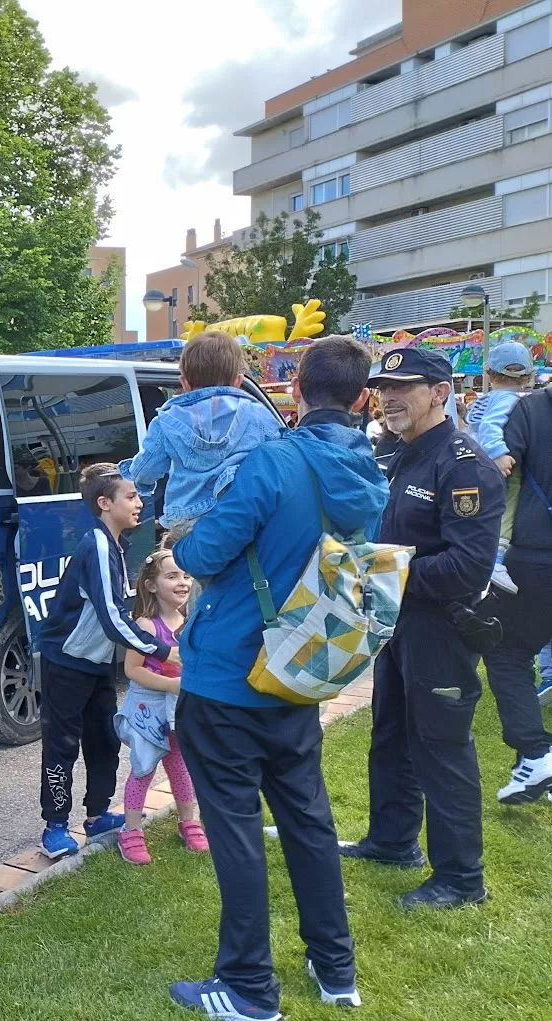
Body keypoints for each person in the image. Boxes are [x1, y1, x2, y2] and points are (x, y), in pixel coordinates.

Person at [168, 336, 385, 1020]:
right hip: (302, 667)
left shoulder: (273, 462)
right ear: (362, 399)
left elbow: (204, 553)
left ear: (296, 390)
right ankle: (335, 966)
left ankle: (248, 987)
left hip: (232, 671)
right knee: (308, 818)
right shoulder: (367, 470)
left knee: (234, 825)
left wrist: (178, 541)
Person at [340, 347, 503, 911]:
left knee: (441, 746)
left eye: (403, 387)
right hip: (397, 622)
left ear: (439, 392)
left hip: (441, 627)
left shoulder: (464, 465)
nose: (388, 398)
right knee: (390, 732)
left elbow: (467, 567)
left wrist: (381, 570)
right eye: (383, 387)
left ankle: (461, 879)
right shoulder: (399, 451)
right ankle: (392, 842)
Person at [35, 462, 176, 860]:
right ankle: (55, 827)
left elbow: (118, 611)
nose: (139, 502)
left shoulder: (116, 544)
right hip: (66, 661)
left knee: (104, 739)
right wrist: (161, 649)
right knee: (61, 744)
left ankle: (97, 815)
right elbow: (111, 616)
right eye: (131, 497)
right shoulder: (96, 544)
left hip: (96, 662)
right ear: (104, 503)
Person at [120, 331, 285, 540]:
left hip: (185, 520)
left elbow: (145, 469)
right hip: (240, 515)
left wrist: (142, 484)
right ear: (238, 381)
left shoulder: (165, 421)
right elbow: (283, 457)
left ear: (184, 382)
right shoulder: (258, 414)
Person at [482, 375, 552, 803]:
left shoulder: (531, 410)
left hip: (536, 555)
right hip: (535, 555)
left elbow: (502, 468)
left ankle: (535, 752)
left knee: (507, 652)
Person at [114, 547, 206, 865]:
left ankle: (189, 822)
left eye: (186, 575)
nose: (182, 582)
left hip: (178, 712)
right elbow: (132, 670)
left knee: (180, 767)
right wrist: (170, 685)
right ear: (152, 585)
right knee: (143, 769)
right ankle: (131, 832)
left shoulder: (191, 621)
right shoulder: (146, 626)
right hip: (148, 711)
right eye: (172, 576)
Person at [466, 341, 535, 594]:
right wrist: (499, 453)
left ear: (489, 375)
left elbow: (473, 424)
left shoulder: (486, 399)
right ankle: (496, 559)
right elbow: (489, 427)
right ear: (528, 377)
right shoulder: (511, 400)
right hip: (495, 462)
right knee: (509, 502)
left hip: (474, 461)